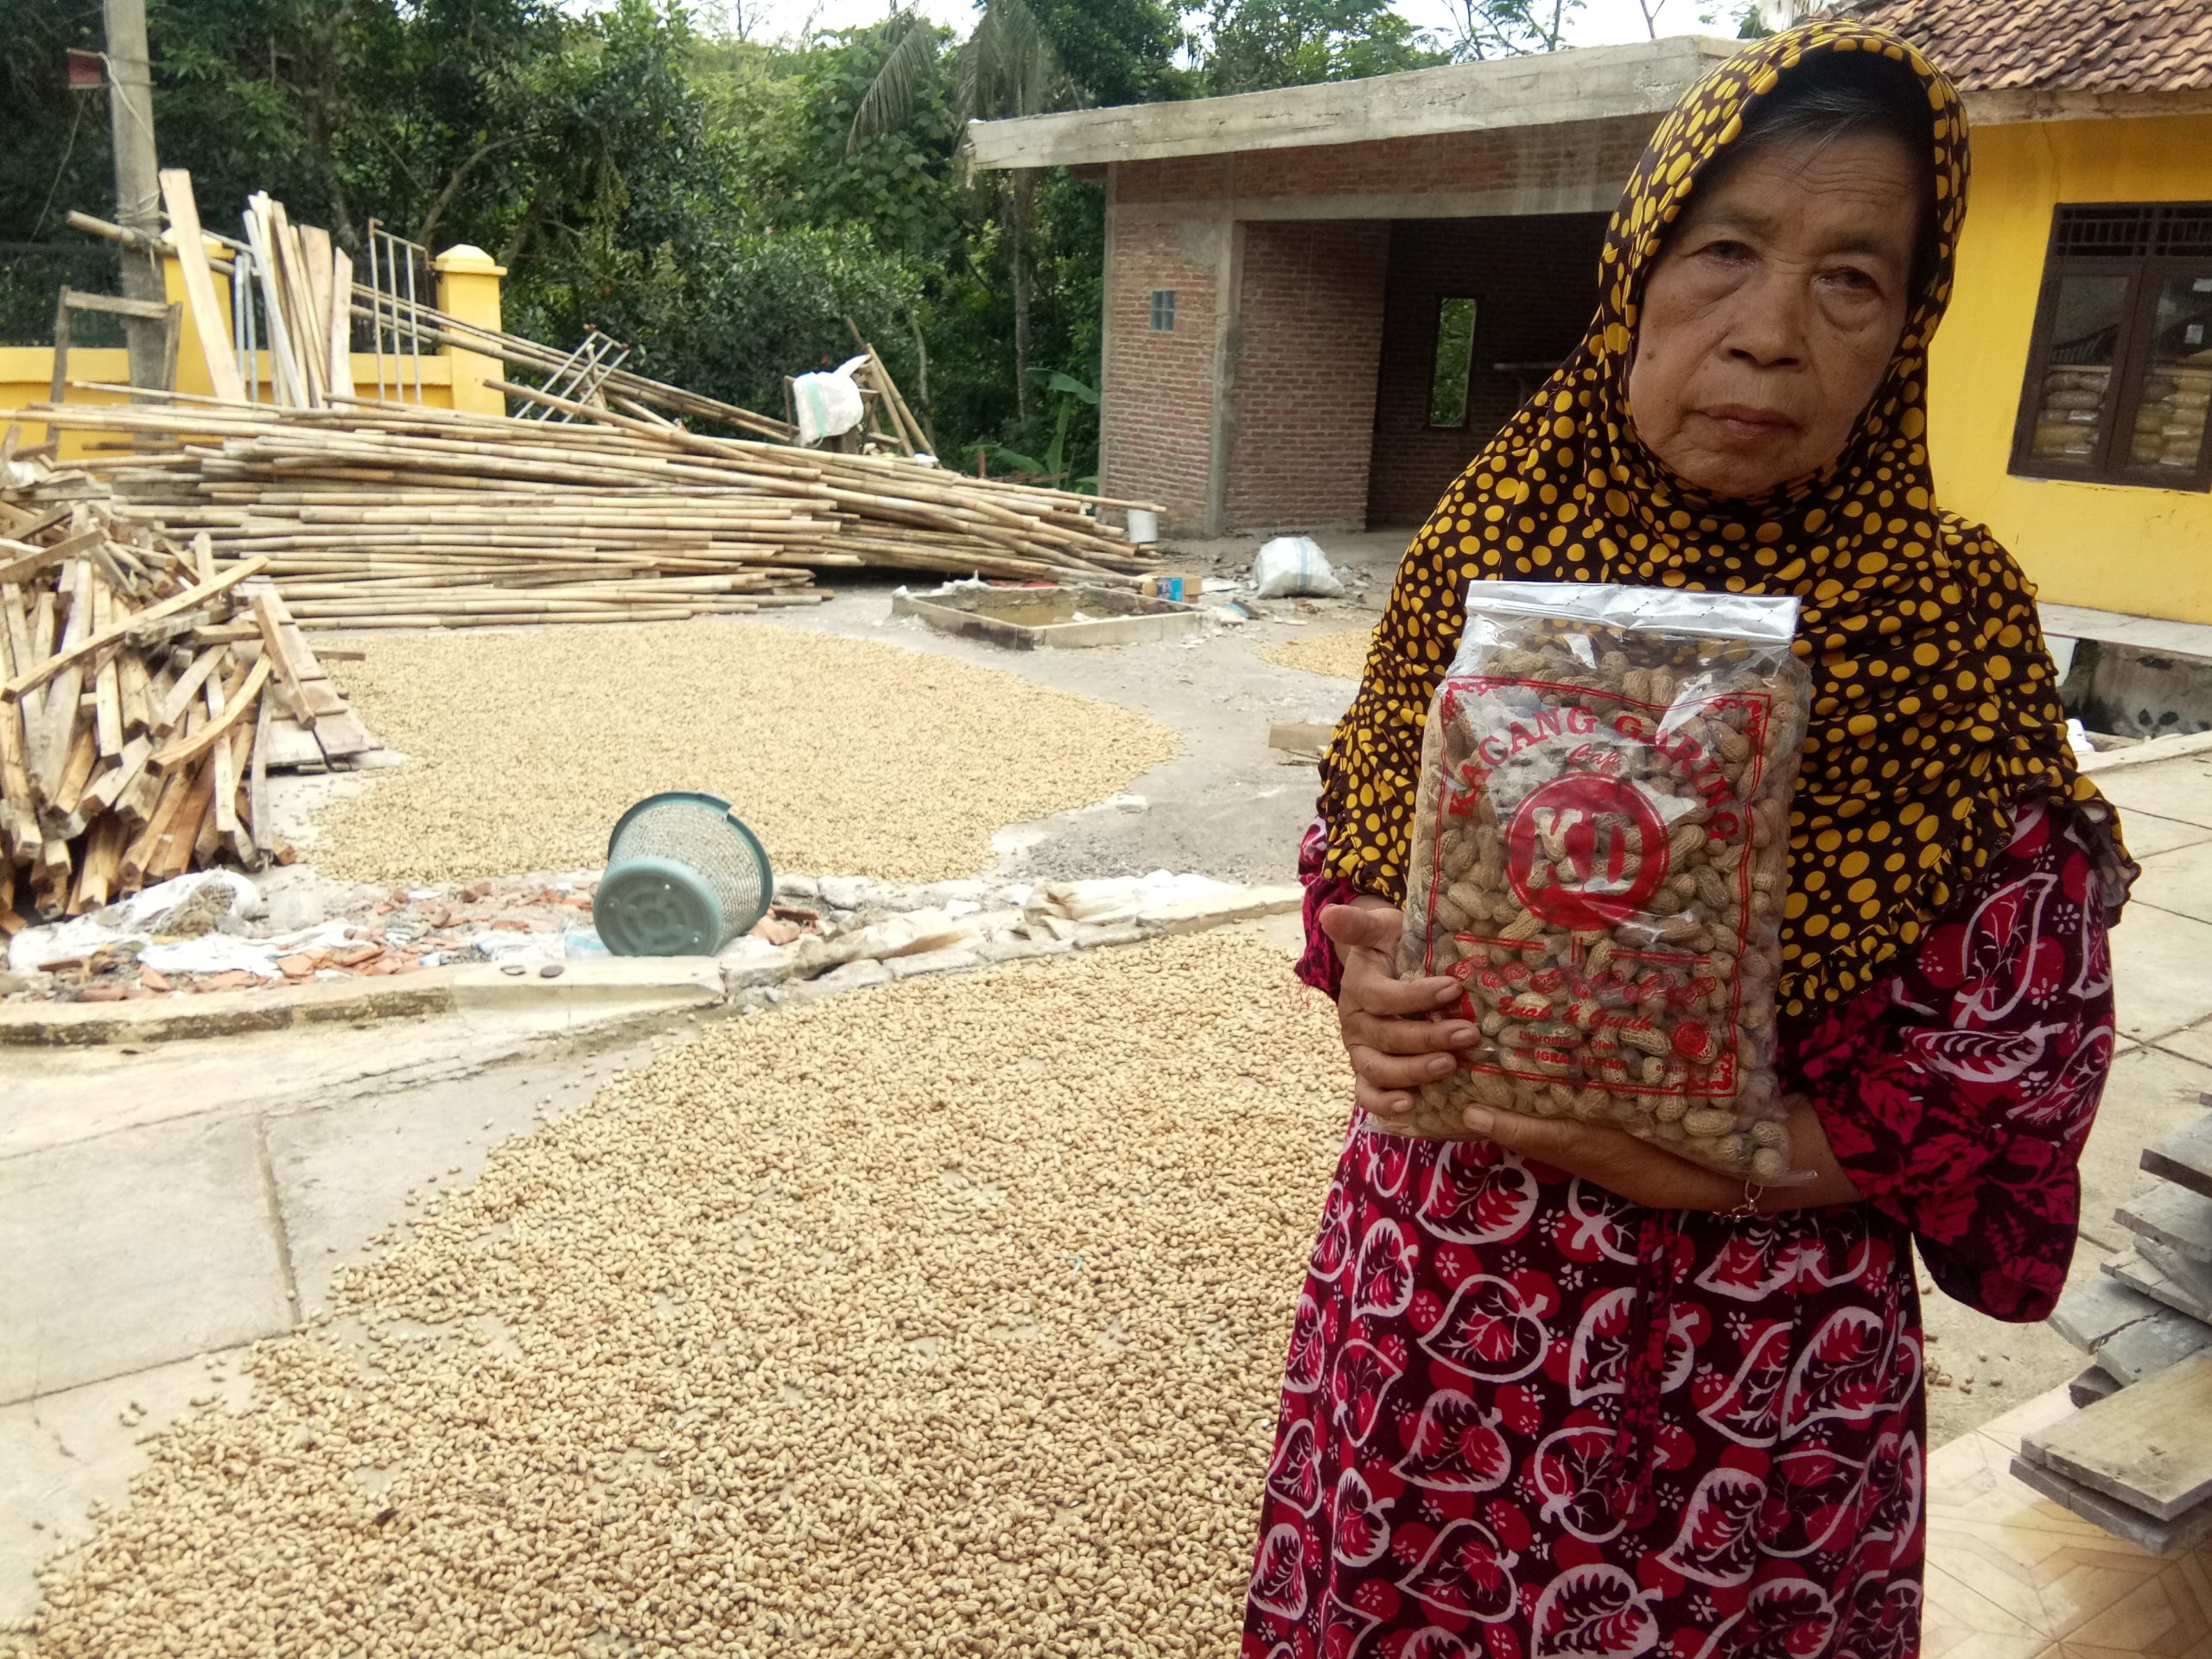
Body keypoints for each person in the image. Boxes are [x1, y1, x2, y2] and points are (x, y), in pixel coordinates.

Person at [1242, 20, 2138, 1659]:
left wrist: (1717, 1154)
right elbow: (1362, 860)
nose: (1773, 332)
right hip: (1438, 1319)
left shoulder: (1950, 632)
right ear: (1639, 269)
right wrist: (1366, 974)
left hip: (1743, 1388)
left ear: (1907, 330)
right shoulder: (1487, 542)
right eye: (1726, 251)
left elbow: (2015, 1071)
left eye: (1853, 279)